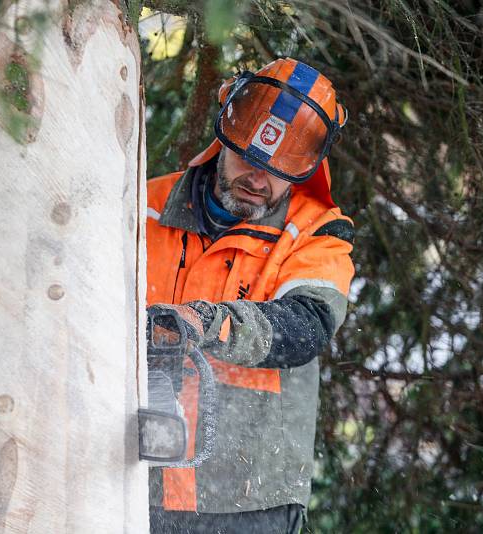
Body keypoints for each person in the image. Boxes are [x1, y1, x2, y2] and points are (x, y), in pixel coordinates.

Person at [146, 57, 355, 534]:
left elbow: (304, 326)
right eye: (249, 160)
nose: (259, 180)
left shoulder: (318, 234)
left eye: (277, 170)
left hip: (248, 496)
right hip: (139, 478)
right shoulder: (146, 208)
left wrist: (211, 324)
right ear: (226, 135)